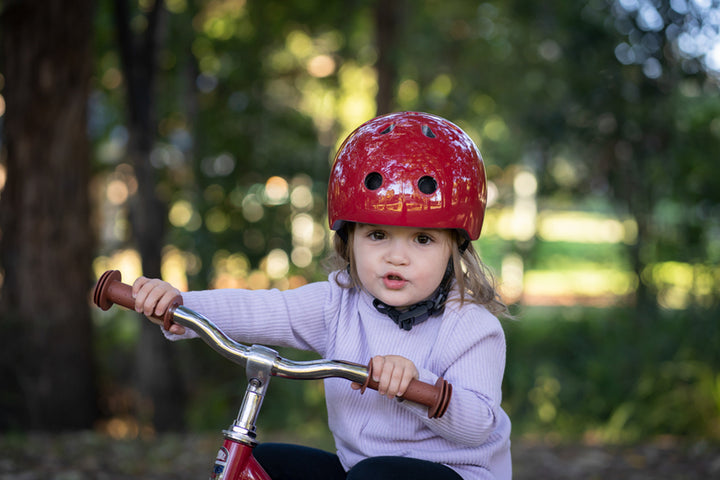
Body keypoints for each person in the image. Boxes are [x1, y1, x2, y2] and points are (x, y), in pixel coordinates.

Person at [132, 111, 512, 479]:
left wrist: (415, 384)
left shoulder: (472, 326)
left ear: (455, 248)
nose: (397, 256)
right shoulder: (338, 304)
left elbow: (478, 425)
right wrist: (180, 304)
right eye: (377, 235)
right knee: (261, 465)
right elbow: (264, 310)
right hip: (360, 472)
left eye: (423, 239)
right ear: (349, 240)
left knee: (376, 475)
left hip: (456, 474)